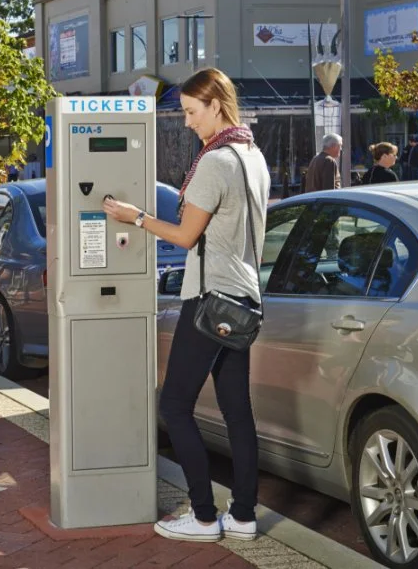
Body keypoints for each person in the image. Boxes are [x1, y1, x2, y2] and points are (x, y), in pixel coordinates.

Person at [103, 68, 269, 543]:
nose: (188, 123)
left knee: (174, 405)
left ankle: (201, 517)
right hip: (244, 297)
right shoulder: (253, 155)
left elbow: (185, 235)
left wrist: (134, 216)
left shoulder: (216, 162)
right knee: (238, 412)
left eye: (193, 113)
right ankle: (242, 516)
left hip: (211, 298)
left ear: (217, 105)